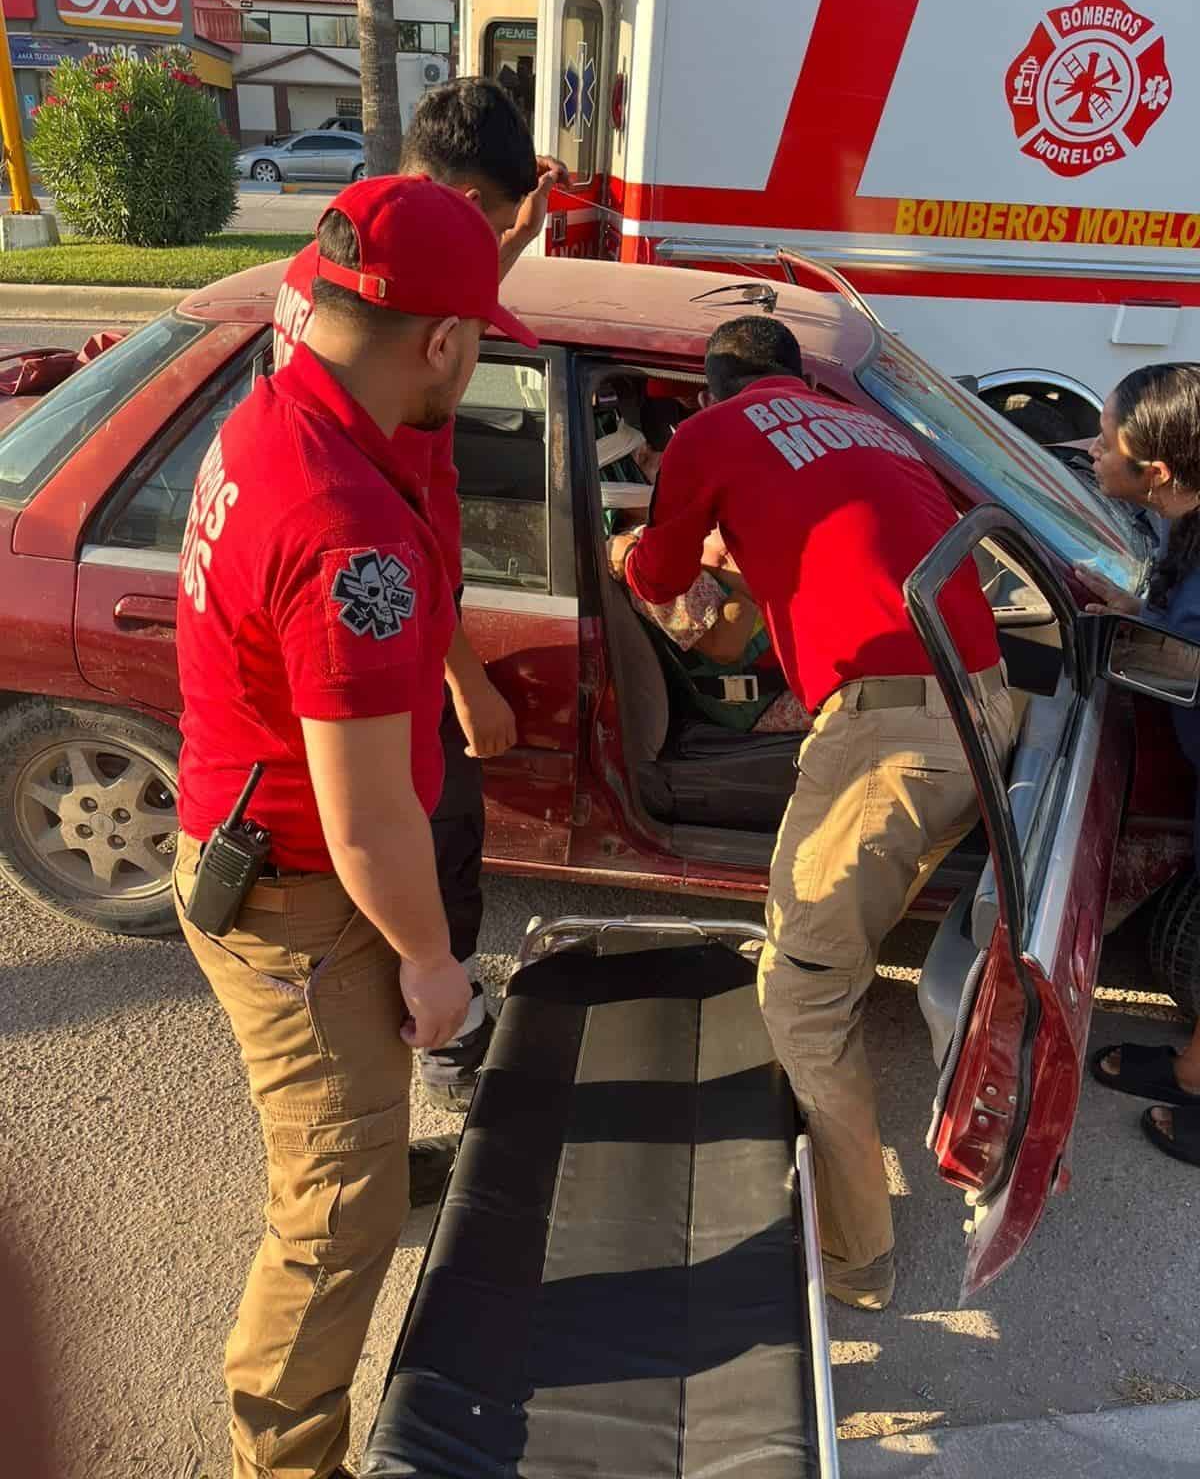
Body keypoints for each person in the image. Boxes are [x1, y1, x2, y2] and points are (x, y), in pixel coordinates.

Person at [174, 175, 540, 1479]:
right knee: (339, 1217)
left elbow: (410, 430)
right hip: (303, 896)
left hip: (259, 856)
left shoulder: (290, 398)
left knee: (353, 1164)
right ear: (442, 344)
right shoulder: (345, 538)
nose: (480, 357)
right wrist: (438, 967)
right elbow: (372, 815)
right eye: (477, 336)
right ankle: (285, 1462)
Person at [608, 316, 1013, 1310]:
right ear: (794, 377)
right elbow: (858, 535)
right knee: (833, 944)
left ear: (709, 391)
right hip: (987, 704)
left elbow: (661, 577)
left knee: (799, 996)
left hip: (894, 747)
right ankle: (834, 966)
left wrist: (634, 555)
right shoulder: (866, 428)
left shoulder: (710, 436)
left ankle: (855, 1261)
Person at [274, 77, 567, 1111]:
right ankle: (445, 1037)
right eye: (481, 219)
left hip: (405, 605)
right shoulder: (361, 488)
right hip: (404, 642)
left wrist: (517, 236)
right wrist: (463, 679)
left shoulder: (345, 273)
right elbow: (381, 545)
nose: (483, 245)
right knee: (431, 845)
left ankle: (434, 1009)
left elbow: (452, 281)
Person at [1081, 363, 1200, 1169]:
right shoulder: (1184, 523)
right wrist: (1141, 619)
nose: (1092, 449)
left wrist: (1153, 637)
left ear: (1154, 471)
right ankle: (1194, 1073)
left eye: (1106, 436)